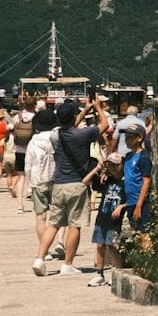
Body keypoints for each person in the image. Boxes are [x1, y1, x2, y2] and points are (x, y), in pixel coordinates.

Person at [36, 98, 108, 276]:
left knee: (53, 224)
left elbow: (69, 125)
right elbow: (105, 125)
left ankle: (39, 259)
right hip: (77, 183)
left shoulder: (55, 134)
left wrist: (83, 111)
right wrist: (97, 108)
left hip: (59, 184)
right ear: (74, 117)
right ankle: (67, 264)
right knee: (75, 225)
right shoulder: (83, 134)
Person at [86, 151, 126, 287]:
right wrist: (98, 168)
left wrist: (121, 207)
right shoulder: (105, 180)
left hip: (114, 220)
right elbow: (85, 181)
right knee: (99, 245)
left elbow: (132, 199)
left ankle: (118, 272)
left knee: (111, 245)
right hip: (102, 217)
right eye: (110, 165)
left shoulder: (125, 182)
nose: (113, 168)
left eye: (116, 165)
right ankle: (99, 273)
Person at [24, 107, 59, 261]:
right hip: (56, 178)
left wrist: (30, 181)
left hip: (38, 180)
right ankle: (61, 243)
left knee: (40, 216)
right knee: (59, 215)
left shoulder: (34, 141)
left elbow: (28, 164)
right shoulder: (57, 137)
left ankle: (46, 249)